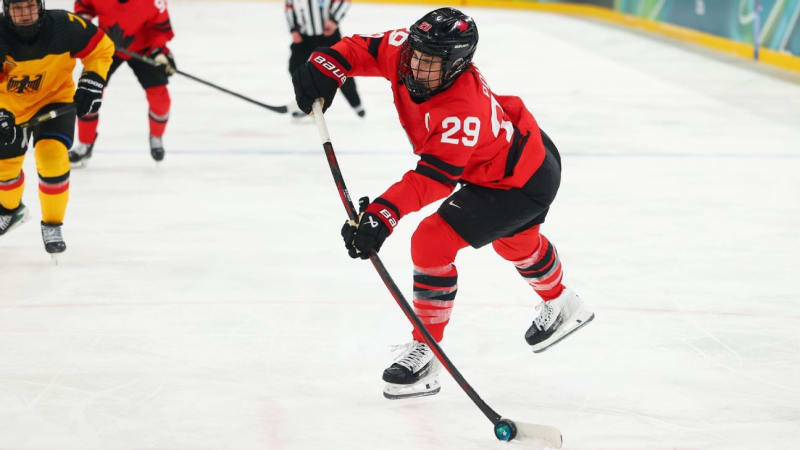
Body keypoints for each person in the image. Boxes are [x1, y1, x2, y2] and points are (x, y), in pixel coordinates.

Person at [292, 7, 594, 399]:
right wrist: (324, 65)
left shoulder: (461, 108)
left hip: (517, 182)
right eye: (417, 55)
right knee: (514, 242)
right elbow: (355, 49)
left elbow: (433, 179)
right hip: (521, 156)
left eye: (432, 63)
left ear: (457, 65)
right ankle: (563, 302)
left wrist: (382, 214)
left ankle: (427, 350)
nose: (417, 68)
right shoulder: (406, 50)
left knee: (432, 241)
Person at [0, 0, 113, 254]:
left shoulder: (64, 26)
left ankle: (52, 223)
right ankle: (10, 209)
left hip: (54, 99)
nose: (25, 14)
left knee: (52, 157)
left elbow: (102, 47)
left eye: (29, 6)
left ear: (40, 6)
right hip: (9, 108)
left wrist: (92, 81)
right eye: (17, 9)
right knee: (4, 170)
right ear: (6, 11)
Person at [68, 0, 176, 166]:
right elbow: (84, 7)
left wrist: (160, 51)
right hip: (106, 47)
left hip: (144, 49)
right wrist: (84, 25)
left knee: (160, 99)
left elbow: (159, 29)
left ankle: (156, 136)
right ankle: (85, 143)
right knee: (88, 92)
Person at [284, 0, 364, 119]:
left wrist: (334, 20)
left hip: (328, 35)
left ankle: (355, 103)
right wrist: (293, 29)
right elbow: (289, 6)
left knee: (340, 69)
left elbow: (344, 1)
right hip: (304, 37)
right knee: (296, 68)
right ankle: (309, 105)